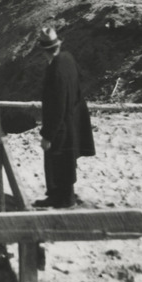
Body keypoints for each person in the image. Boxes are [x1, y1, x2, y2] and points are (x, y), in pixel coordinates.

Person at [33, 27, 95, 208]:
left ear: (44, 51)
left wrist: (48, 134)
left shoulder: (55, 71)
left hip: (62, 124)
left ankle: (66, 200)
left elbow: (57, 107)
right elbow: (79, 83)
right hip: (73, 118)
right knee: (61, 160)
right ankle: (56, 195)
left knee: (61, 159)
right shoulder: (68, 58)